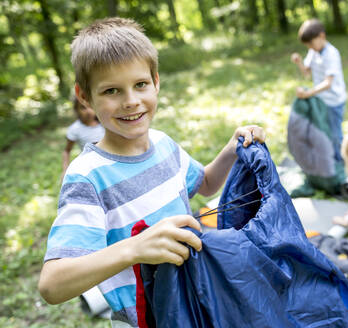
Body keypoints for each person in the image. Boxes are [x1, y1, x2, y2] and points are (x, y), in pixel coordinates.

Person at [37, 17, 266, 328]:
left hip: (194, 304)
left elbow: (208, 184)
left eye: (140, 85)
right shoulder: (88, 177)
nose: (131, 101)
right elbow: (52, 285)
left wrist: (232, 148)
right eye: (112, 91)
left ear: (156, 81)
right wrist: (135, 248)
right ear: (84, 96)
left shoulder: (163, 144)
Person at [290, 18, 346, 160]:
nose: (309, 46)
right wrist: (299, 63)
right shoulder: (313, 52)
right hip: (321, 100)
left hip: (334, 101)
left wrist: (309, 93)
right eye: (307, 44)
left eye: (311, 42)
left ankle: (340, 163)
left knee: (335, 133)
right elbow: (307, 73)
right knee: (323, 130)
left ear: (322, 36)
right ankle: (329, 160)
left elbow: (328, 83)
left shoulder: (331, 54)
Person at [61, 96, 105, 180]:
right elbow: (66, 151)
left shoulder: (104, 123)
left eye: (91, 107)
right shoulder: (75, 129)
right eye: (83, 108)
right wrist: (65, 170)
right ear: (76, 110)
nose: (88, 111)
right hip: (91, 169)